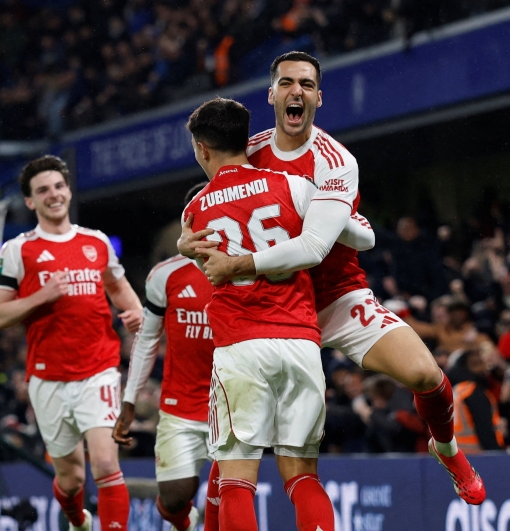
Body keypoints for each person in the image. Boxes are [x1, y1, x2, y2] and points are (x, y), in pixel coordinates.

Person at [180, 51, 484, 500]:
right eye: (287, 83)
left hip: (338, 297)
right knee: (236, 444)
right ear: (272, 94)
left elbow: (313, 249)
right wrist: (187, 242)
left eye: (306, 84)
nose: (296, 91)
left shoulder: (336, 161)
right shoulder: (250, 152)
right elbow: (216, 213)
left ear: (318, 98)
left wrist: (239, 264)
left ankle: (447, 448)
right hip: (273, 306)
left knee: (425, 374)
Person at [181, 97, 349, 531]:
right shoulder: (295, 187)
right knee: (302, 476)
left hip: (241, 347)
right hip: (300, 343)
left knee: (236, 481)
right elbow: (339, 237)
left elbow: (198, 257)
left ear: (202, 148)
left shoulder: (195, 210)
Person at [0, 155, 143, 531]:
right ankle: (78, 524)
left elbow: (120, 289)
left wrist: (136, 314)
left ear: (69, 190)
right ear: (30, 201)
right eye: (43, 190)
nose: (53, 195)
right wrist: (41, 296)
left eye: (59, 186)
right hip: (48, 378)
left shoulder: (96, 242)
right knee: (71, 478)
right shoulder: (18, 250)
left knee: (105, 463)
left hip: (99, 369)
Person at [113, 185, 216, 531]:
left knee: (230, 500)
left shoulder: (248, 270)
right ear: (188, 220)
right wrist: (129, 401)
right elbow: (146, 341)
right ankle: (182, 523)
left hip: (232, 404)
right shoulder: (166, 275)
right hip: (179, 406)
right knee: (173, 499)